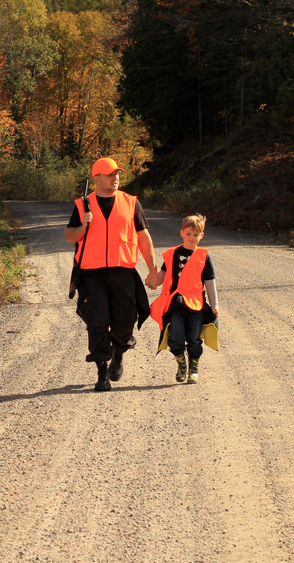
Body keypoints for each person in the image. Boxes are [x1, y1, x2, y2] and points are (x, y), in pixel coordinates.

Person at [65, 157, 158, 392]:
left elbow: (144, 238)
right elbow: (70, 236)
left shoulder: (130, 202)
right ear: (96, 178)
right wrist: (84, 225)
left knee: (125, 322)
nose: (115, 178)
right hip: (91, 275)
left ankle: (119, 353)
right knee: (97, 323)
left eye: (117, 174)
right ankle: (102, 371)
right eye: (109, 175)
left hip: (123, 273)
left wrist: (153, 269)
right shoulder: (82, 205)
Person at [150, 214, 219, 384]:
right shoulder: (174, 253)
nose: (192, 238)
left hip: (196, 306)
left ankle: (193, 369)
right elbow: (164, 273)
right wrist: (154, 281)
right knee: (176, 337)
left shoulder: (203, 256)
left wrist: (214, 305)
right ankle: (181, 364)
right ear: (182, 233)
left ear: (201, 236)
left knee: (194, 339)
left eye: (196, 235)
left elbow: (210, 282)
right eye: (188, 234)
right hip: (176, 305)